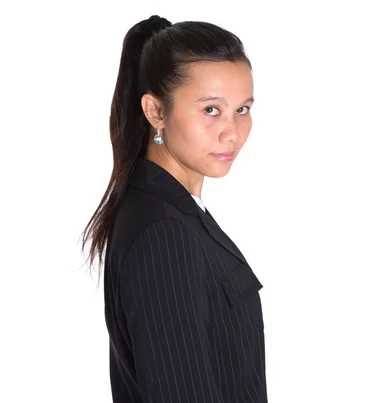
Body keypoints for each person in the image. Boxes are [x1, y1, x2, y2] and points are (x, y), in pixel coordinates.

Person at [81, 15, 267, 403]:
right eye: (211, 110)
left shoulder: (175, 212)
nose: (232, 132)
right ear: (156, 112)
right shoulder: (163, 234)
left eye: (243, 110)